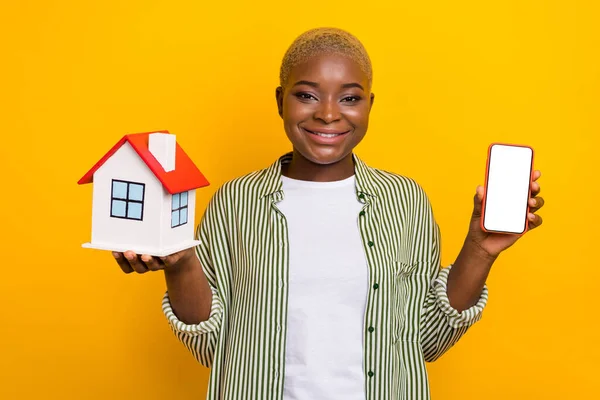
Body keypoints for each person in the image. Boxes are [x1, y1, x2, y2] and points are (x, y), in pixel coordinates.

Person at [112, 27, 544, 400]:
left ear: (370, 105)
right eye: (307, 95)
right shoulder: (235, 202)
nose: (329, 113)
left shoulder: (405, 201)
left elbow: (424, 339)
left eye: (350, 97)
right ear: (281, 100)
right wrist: (181, 263)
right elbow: (210, 344)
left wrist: (480, 250)